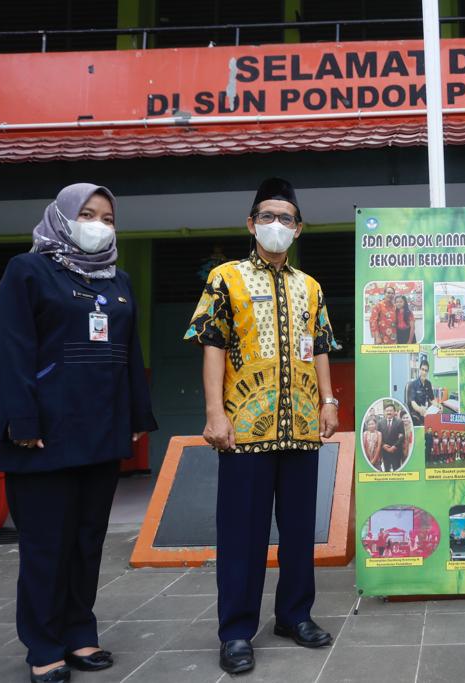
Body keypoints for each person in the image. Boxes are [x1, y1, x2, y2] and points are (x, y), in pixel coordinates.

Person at [0, 183, 157, 683]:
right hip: (43, 436)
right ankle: (43, 644)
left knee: (87, 541)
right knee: (46, 546)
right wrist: (22, 420)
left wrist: (134, 420)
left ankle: (80, 632)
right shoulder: (29, 271)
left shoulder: (118, 279)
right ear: (62, 217)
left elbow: (130, 356)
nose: (98, 224)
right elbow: (12, 349)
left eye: (108, 217)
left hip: (101, 434)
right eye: (88, 214)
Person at [184, 177, 339, 675]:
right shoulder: (224, 278)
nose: (277, 225)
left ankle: (294, 616)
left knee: (299, 531)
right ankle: (235, 631)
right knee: (242, 534)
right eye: (268, 217)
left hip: (300, 426)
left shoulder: (309, 286)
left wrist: (329, 401)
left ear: (299, 229)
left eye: (286, 218)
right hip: (244, 429)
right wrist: (214, 412)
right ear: (251, 224)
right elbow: (211, 343)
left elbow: (319, 346)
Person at [377, 402, 405, 471]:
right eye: (387, 411)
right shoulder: (380, 423)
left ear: (394, 412)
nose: (389, 412)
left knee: (396, 470)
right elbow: (378, 437)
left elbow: (402, 436)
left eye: (391, 410)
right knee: (387, 471)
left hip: (396, 452)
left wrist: (394, 446)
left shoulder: (399, 422)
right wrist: (383, 445)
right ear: (384, 412)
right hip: (385, 453)